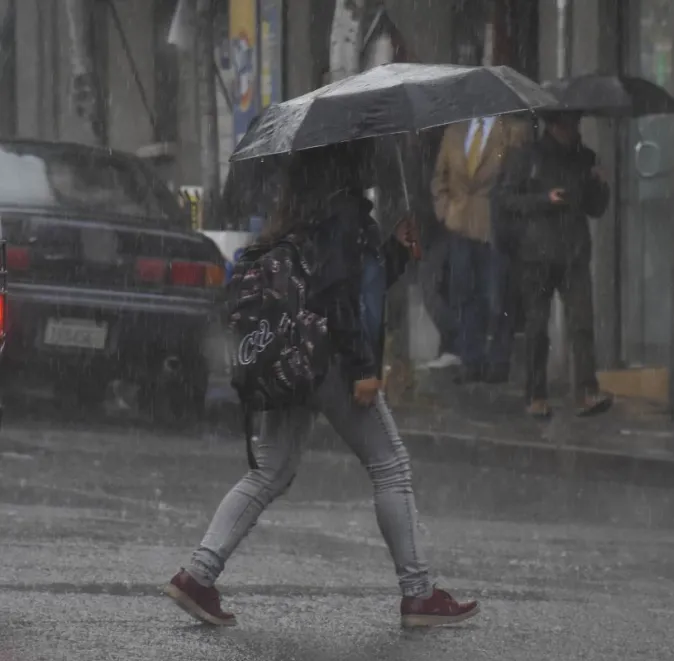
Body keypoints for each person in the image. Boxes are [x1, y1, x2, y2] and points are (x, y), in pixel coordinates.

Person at [165, 146, 479, 629]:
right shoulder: (346, 215)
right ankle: (419, 595)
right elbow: (340, 296)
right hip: (330, 360)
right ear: (346, 166)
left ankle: (197, 576)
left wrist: (392, 251)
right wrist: (361, 369)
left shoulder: (296, 220)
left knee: (270, 472)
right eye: (363, 157)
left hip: (289, 361)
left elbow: (343, 283)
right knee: (390, 465)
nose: (371, 162)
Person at [494, 110, 614, 419]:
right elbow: (507, 199)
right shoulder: (528, 156)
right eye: (569, 124)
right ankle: (536, 394)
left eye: (577, 124)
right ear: (555, 126)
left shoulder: (584, 158)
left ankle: (587, 391)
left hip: (573, 252)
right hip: (537, 254)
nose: (574, 130)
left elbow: (596, 208)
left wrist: (600, 185)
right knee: (537, 327)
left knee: (582, 324)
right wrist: (544, 199)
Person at [431, 115, 531, 383]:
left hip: (494, 224)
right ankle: (470, 359)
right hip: (460, 224)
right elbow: (440, 176)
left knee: (497, 295)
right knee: (464, 294)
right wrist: (444, 209)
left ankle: (498, 360)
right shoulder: (454, 131)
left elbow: (516, 174)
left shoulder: (510, 130)